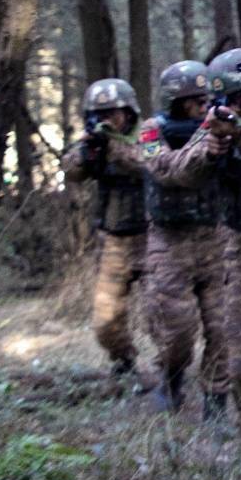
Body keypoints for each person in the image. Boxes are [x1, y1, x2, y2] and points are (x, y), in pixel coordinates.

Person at [137, 60, 233, 418]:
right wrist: (204, 142)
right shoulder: (150, 132)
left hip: (215, 238)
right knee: (176, 329)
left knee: (222, 327)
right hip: (168, 242)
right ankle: (171, 376)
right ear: (175, 102)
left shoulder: (218, 132)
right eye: (194, 101)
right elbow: (166, 171)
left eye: (205, 99)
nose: (201, 107)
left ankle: (216, 399)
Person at [63, 78, 146, 378]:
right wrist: (88, 152)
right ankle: (124, 360)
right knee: (105, 321)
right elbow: (71, 172)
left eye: (114, 112)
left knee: (163, 317)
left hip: (154, 239)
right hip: (114, 241)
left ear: (129, 112)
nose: (108, 119)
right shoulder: (96, 142)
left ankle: (170, 375)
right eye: (101, 114)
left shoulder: (148, 135)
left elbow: (150, 164)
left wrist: (114, 146)